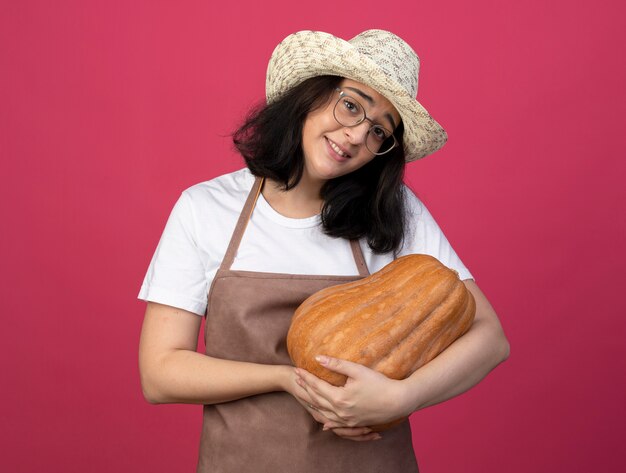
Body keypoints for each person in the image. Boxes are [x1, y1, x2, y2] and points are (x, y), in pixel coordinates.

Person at [138, 29, 510, 472]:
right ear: (310, 94)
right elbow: (159, 372)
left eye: (378, 131)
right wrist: (288, 379)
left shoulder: (394, 212)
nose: (354, 136)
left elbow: (491, 339)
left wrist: (401, 396)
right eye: (350, 105)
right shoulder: (205, 208)